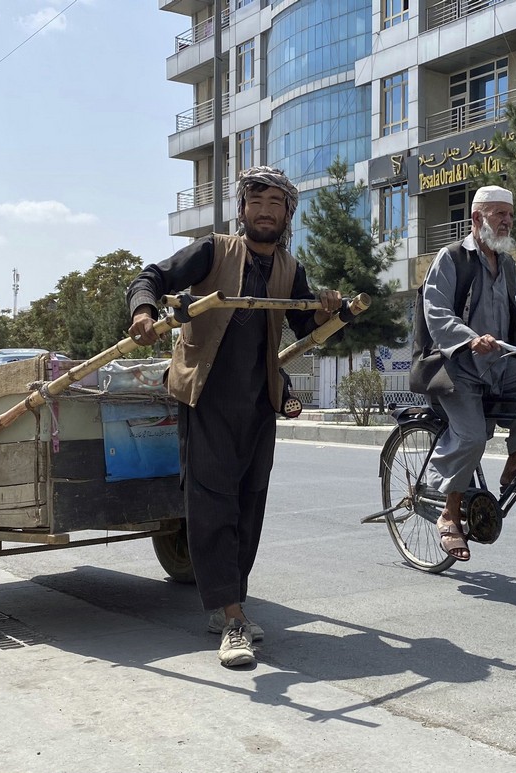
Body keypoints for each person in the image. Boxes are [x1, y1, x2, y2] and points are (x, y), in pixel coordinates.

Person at [126, 166, 342, 668]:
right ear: (242, 208)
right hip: (206, 399)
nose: (266, 212)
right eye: (257, 202)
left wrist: (332, 309)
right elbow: (150, 278)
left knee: (249, 506)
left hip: (258, 401)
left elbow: (309, 324)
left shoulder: (290, 269)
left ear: (288, 215)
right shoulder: (213, 250)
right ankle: (232, 617)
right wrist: (143, 311)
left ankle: (228, 603)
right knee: (213, 505)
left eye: (276, 205)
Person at [422, 185, 516, 562]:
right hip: (458, 368)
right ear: (476, 219)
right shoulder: (452, 257)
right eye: (498, 213)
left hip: (499, 364)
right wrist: (470, 340)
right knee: (471, 438)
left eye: (510, 214)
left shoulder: (507, 264)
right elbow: (435, 311)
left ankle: (513, 467)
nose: (506, 221)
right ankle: (448, 514)